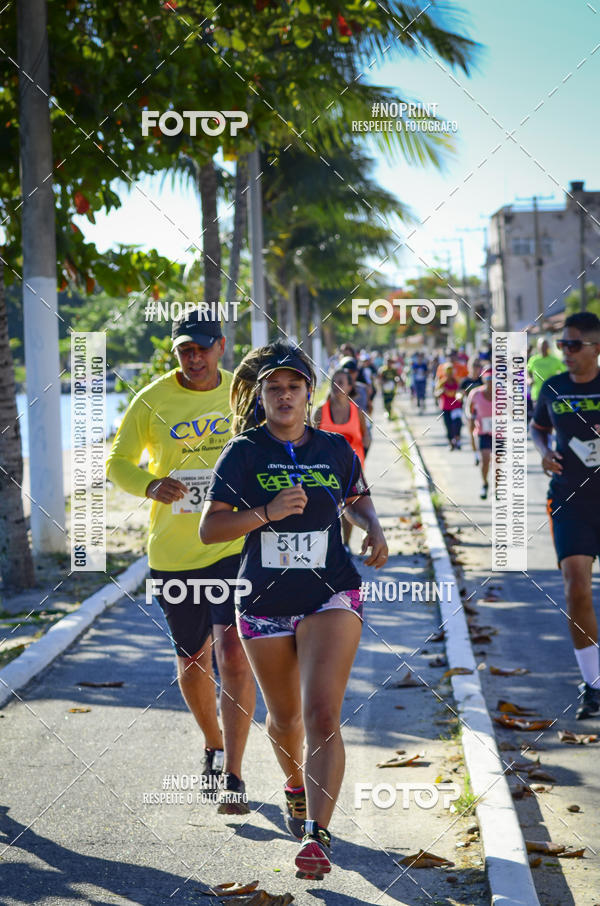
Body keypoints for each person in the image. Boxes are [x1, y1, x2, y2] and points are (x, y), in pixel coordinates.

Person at [200, 340, 388, 879]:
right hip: (262, 601)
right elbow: (211, 529)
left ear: (310, 393)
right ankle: (293, 784)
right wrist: (265, 511)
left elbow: (354, 498)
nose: (285, 396)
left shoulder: (335, 448)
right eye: (274, 388)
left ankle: (317, 836)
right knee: (284, 722)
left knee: (322, 714)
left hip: (331, 591)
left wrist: (372, 525)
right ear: (261, 396)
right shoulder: (243, 453)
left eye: (294, 387)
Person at [106, 309, 255, 810]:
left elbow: (276, 444)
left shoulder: (244, 392)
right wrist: (150, 483)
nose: (194, 358)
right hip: (175, 552)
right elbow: (117, 461)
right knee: (194, 662)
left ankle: (233, 773)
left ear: (221, 346)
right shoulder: (151, 400)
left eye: (202, 348)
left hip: (237, 545)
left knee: (234, 653)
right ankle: (213, 743)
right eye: (184, 350)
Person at [530, 312, 600, 719]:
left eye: (574, 345)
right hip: (570, 500)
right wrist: (544, 453)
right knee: (577, 588)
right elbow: (538, 427)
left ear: (596, 348)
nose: (566, 353)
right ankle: (593, 685)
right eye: (562, 345)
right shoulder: (553, 387)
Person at [313, 369, 370, 551]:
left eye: (341, 383)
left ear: (350, 387)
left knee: (350, 505)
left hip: (352, 469)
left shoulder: (357, 411)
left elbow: (366, 437)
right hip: (324, 469)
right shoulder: (320, 411)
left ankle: (345, 544)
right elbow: (308, 439)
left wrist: (359, 460)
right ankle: (329, 545)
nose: (337, 386)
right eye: (334, 383)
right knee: (328, 508)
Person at [466, 368, 493, 498]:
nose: (490, 383)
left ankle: (498, 488)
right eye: (488, 379)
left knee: (499, 461)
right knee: (485, 459)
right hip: (483, 432)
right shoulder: (476, 394)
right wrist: (471, 419)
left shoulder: (503, 394)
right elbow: (469, 409)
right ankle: (485, 483)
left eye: (493, 380)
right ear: (484, 380)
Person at [527, 337, 565, 403]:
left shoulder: (555, 360)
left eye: (545, 346)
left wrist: (556, 377)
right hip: (537, 395)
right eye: (541, 346)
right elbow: (528, 371)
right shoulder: (533, 360)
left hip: (551, 394)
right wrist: (529, 379)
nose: (543, 348)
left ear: (548, 347)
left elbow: (564, 372)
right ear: (538, 347)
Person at [460, 357, 483, 464]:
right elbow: (459, 393)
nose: (476, 368)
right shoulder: (465, 381)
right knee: (472, 432)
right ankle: (476, 455)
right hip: (470, 410)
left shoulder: (482, 380)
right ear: (469, 367)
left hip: (483, 411)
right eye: (474, 365)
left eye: (478, 366)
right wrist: (459, 396)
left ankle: (486, 451)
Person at [435, 363, 463, 450]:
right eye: (448, 371)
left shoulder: (457, 381)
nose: (450, 373)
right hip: (446, 407)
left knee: (457, 424)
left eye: (451, 370)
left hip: (456, 406)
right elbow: (436, 393)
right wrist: (441, 391)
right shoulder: (441, 382)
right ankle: (451, 442)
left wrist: (459, 395)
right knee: (448, 426)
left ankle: (457, 440)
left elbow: (461, 391)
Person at [378, 354, 400, 418]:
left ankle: (390, 413)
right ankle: (387, 411)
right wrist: (384, 382)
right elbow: (380, 379)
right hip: (385, 389)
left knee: (390, 401)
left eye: (390, 362)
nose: (389, 363)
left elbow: (397, 377)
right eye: (388, 362)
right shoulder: (383, 370)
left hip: (392, 389)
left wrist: (397, 381)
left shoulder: (393, 370)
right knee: (385, 401)